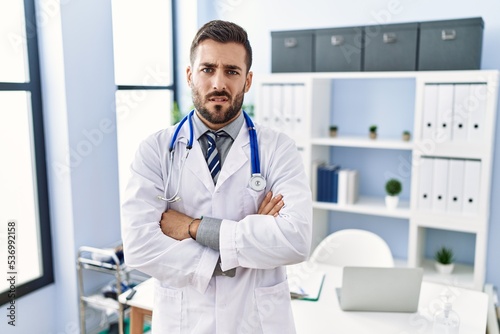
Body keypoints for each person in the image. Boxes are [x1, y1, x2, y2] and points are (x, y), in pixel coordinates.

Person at [121, 20, 312, 333]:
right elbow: (140, 246)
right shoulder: (155, 151)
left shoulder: (278, 148)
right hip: (185, 320)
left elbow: (295, 240)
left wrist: (194, 228)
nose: (218, 83)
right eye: (207, 69)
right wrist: (232, 255)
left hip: (256, 321)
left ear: (247, 80)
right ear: (190, 75)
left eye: (232, 71)